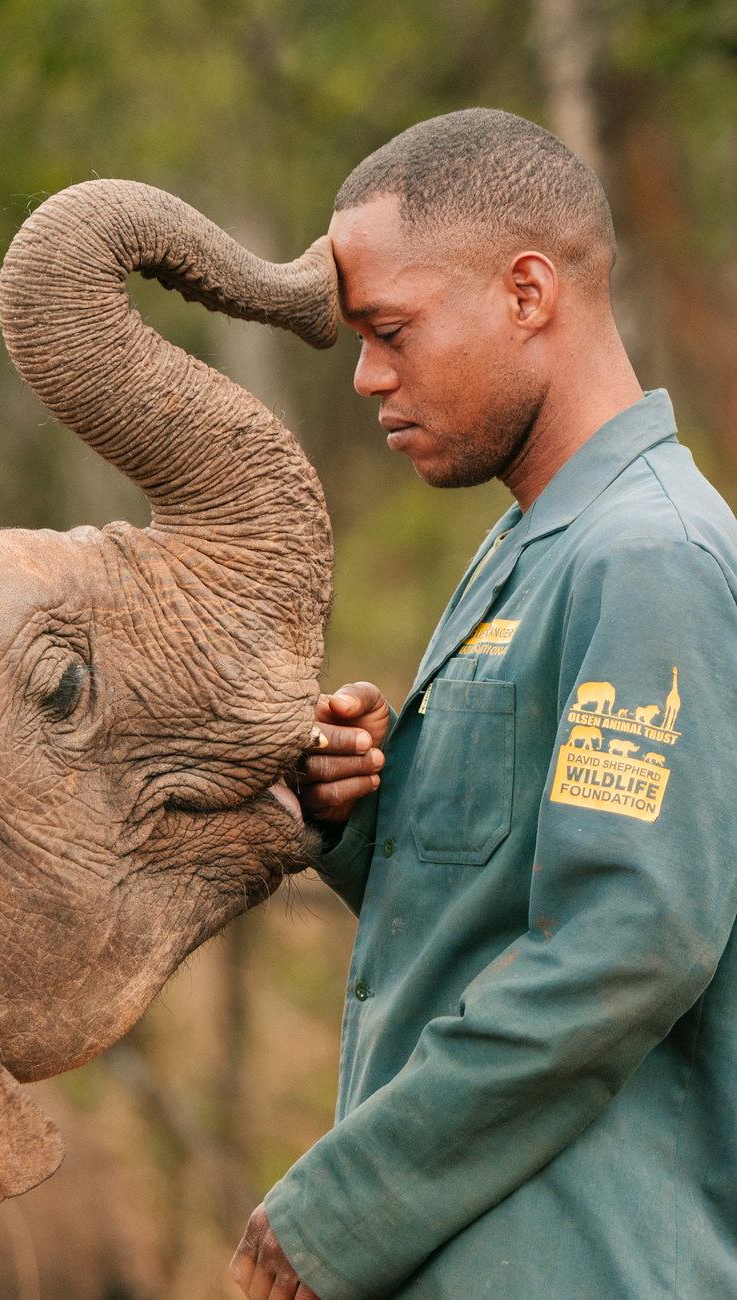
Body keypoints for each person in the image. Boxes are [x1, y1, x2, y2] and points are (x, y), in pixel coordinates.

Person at [230, 108, 737, 1299]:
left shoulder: (648, 558)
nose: (366, 375)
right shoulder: (531, 546)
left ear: (526, 291)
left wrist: (346, 1204)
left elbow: (628, 943)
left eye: (390, 330)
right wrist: (358, 811)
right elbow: (500, 899)